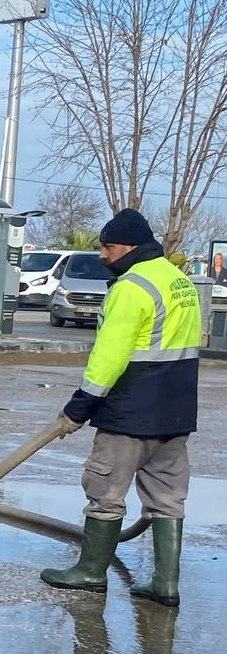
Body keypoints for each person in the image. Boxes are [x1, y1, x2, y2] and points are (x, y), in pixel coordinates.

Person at [40, 208, 200, 607]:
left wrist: (80, 407)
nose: (102, 255)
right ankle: (165, 584)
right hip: (175, 411)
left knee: (105, 491)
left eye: (108, 246)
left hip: (130, 410)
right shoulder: (179, 281)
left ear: (130, 246)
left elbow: (110, 356)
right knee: (167, 498)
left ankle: (91, 572)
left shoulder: (132, 287)